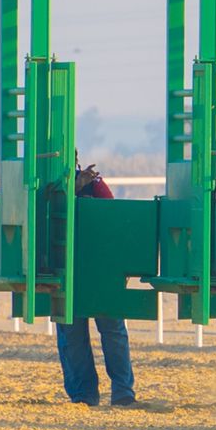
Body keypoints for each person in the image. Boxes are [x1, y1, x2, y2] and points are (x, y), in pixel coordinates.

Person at [56, 157, 135, 407]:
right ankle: (86, 395)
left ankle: (121, 392)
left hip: (98, 270)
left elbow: (113, 219)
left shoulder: (96, 186)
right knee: (75, 336)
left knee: (109, 333)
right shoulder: (49, 190)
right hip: (76, 272)